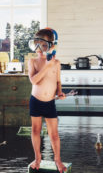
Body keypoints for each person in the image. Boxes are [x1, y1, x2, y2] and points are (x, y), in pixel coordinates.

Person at [28, 28, 67, 173]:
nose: (38, 49)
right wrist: (47, 66)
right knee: (36, 130)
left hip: (50, 102)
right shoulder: (33, 61)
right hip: (36, 101)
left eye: (43, 45)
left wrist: (60, 92)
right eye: (36, 44)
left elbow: (58, 81)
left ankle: (57, 159)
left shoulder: (56, 63)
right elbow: (34, 81)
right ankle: (38, 158)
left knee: (54, 134)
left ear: (51, 46)